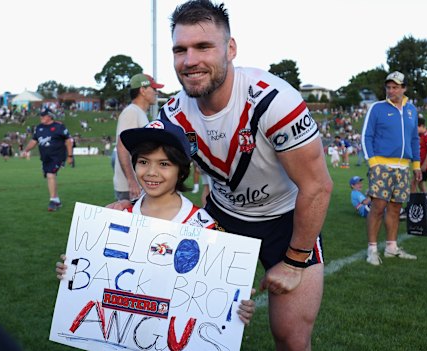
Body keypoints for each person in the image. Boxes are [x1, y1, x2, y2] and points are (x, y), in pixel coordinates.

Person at [111, 2, 333, 349]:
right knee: (192, 326)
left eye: (203, 47)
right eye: (180, 50)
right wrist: (128, 208)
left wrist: (293, 262)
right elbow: (145, 159)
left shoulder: (274, 101)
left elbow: (317, 187)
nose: (189, 60)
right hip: (222, 217)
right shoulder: (173, 113)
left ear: (230, 49)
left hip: (286, 218)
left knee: (291, 337)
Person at [57, 119, 256, 325]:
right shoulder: (117, 216)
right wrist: (72, 270)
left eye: (164, 164)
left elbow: (218, 295)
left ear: (181, 169)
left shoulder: (206, 227)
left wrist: (237, 303)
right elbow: (93, 278)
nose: (151, 172)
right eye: (143, 162)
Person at [362, 71, 421, 265]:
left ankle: (391, 247)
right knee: (378, 207)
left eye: (395, 87)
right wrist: (373, 163)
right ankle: (371, 249)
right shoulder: (377, 108)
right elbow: (366, 136)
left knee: (396, 208)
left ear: (404, 88)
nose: (391, 90)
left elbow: (414, 139)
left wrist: (417, 165)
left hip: (403, 168)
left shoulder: (412, 110)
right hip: (381, 165)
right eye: (388, 87)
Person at [113, 73, 164, 202]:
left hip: (137, 183)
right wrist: (131, 181)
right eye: (154, 89)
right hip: (130, 187)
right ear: (142, 90)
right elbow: (122, 146)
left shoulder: (139, 113)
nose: (156, 93)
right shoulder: (131, 112)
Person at [23, 107, 73, 211]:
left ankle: (53, 201)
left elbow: (68, 141)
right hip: (45, 158)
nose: (41, 117)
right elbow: (34, 141)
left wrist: (70, 156)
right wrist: (26, 150)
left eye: (43, 115)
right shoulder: (39, 128)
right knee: (50, 176)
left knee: (51, 175)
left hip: (57, 156)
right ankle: (57, 200)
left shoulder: (59, 126)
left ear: (49, 116)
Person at [412, 117, 427, 192]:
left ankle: (412, 202)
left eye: (416, 127)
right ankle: (426, 201)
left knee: (413, 183)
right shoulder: (421, 135)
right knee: (420, 184)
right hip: (419, 164)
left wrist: (425, 164)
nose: (415, 129)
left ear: (422, 126)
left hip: (423, 165)